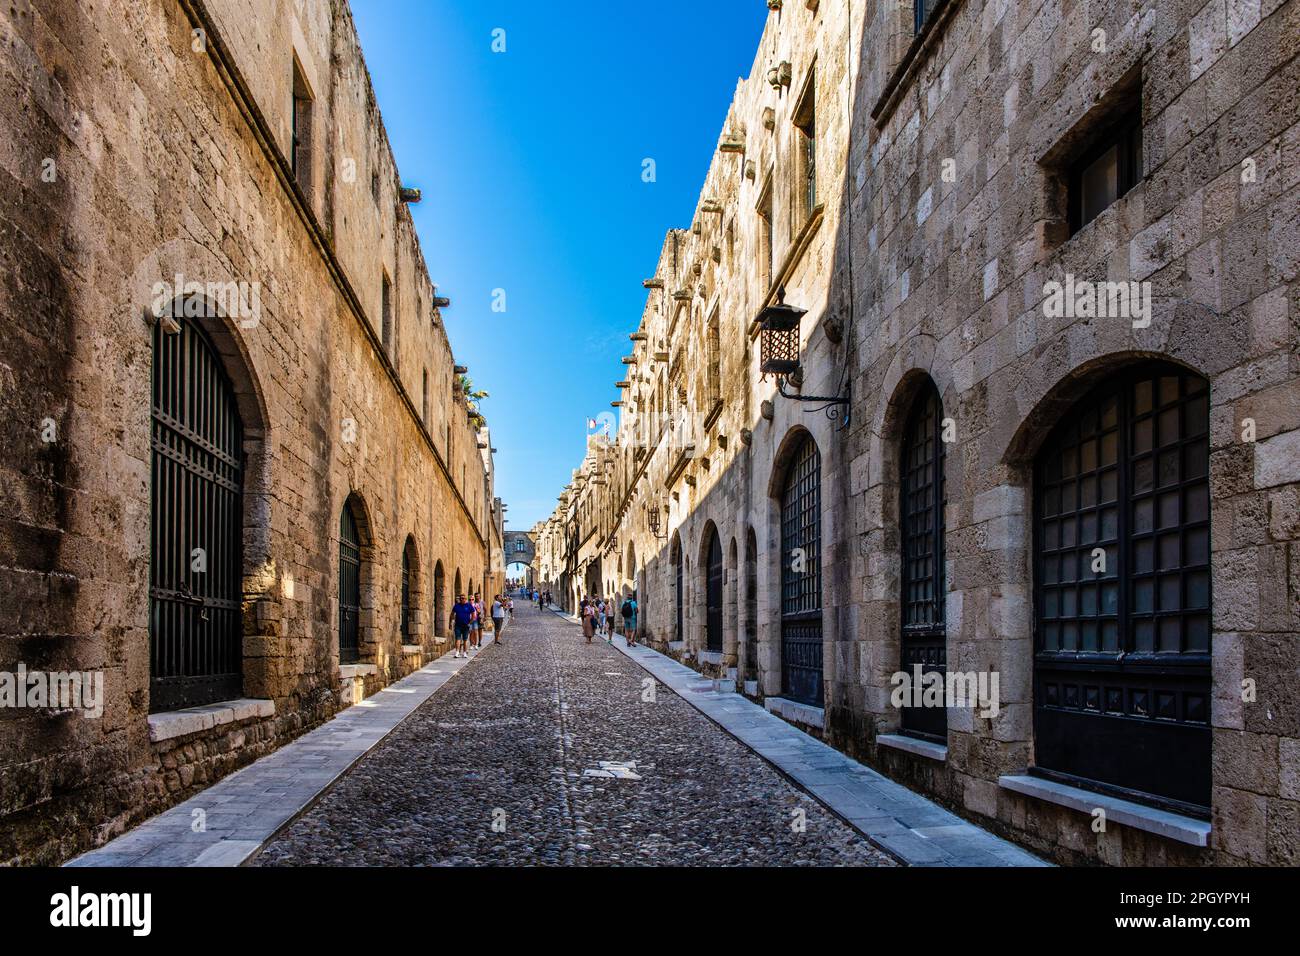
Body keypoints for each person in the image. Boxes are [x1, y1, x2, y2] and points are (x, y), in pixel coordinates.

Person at [450, 593, 475, 658]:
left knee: (465, 640)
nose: (462, 599)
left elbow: (473, 615)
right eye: (461, 598)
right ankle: (457, 652)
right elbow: (452, 614)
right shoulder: (456, 606)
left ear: (465, 599)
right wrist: (451, 622)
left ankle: (464, 652)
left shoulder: (469, 605)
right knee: (457, 638)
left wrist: (470, 623)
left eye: (463, 598)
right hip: (458, 625)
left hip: (466, 625)